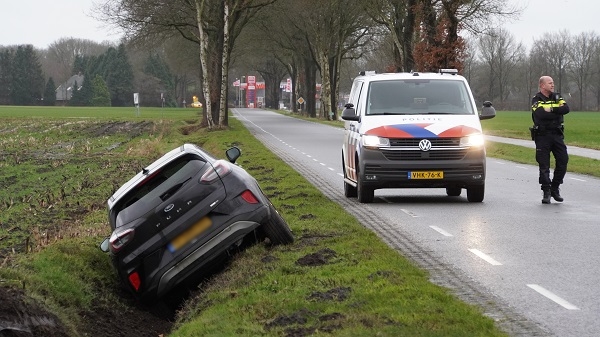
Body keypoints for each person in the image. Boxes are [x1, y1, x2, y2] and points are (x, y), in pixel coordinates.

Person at [531, 76, 570, 204]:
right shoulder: (536, 99)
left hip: (557, 134)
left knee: (563, 160)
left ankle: (555, 187)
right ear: (542, 85)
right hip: (542, 135)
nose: (552, 85)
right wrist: (557, 112)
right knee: (544, 165)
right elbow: (540, 114)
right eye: (550, 83)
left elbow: (566, 109)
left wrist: (551, 109)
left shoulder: (557, 97)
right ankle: (546, 191)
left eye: (553, 82)